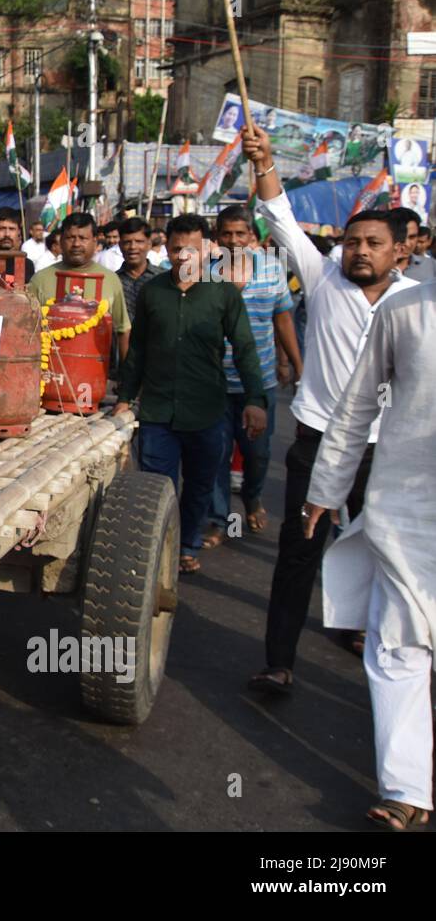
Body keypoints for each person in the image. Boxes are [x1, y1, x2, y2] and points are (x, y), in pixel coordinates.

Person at [240, 123, 423, 694]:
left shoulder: (417, 305)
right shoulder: (321, 280)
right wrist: (265, 160)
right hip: (318, 444)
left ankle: (370, 638)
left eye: (373, 244)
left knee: (387, 554)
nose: (360, 252)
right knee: (298, 555)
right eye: (353, 242)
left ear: (401, 252)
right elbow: (280, 217)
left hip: (390, 452)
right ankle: (279, 661)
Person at [302, 281, 436, 831]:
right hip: (408, 511)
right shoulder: (403, 312)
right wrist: (325, 487)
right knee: (397, 645)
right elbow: (358, 404)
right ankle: (407, 787)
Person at [114, 213, 268, 574]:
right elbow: (136, 350)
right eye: (177, 248)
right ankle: (157, 549)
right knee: (155, 488)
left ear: (208, 249)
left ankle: (186, 544)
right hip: (157, 412)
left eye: (193, 249)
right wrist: (125, 396)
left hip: (207, 412)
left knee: (199, 486)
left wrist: (255, 400)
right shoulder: (153, 293)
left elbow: (245, 348)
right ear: (166, 248)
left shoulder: (224, 293)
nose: (184, 256)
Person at [202, 205, 302, 550]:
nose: (233, 241)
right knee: (215, 455)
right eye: (226, 234)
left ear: (253, 238)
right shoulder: (205, 273)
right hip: (213, 384)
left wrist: (294, 365)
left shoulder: (273, 270)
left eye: (240, 234)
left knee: (257, 454)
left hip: (258, 384)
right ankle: (219, 520)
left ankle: (253, 497)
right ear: (217, 238)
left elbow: (284, 320)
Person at [28, 212, 132, 367]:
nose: (76, 244)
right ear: (61, 241)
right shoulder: (40, 280)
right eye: (71, 238)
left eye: (83, 238)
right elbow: (27, 332)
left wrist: (127, 379)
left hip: (96, 375)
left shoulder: (110, 280)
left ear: (95, 241)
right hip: (49, 376)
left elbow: (123, 330)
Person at [116, 218, 155, 321]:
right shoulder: (112, 281)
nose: (133, 247)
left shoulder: (163, 278)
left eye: (139, 241)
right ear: (120, 245)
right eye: (127, 242)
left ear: (149, 244)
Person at [0, 207, 37, 283]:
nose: (7, 234)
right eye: (1, 228)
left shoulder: (26, 265)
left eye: (12, 229)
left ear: (18, 232)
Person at [390, 208, 435, 285]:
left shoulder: (432, 266)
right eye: (401, 237)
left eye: (412, 237)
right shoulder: (372, 267)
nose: (407, 243)